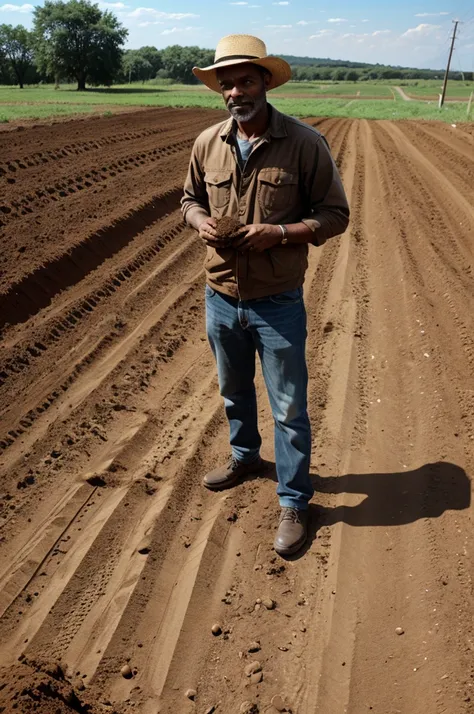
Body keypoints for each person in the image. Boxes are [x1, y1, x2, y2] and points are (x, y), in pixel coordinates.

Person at [181, 34, 349, 556]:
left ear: (266, 83)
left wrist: (280, 233)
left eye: (245, 81)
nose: (235, 91)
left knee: (288, 406)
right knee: (233, 390)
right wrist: (202, 221)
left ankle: (296, 499)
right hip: (220, 296)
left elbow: (335, 216)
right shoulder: (208, 142)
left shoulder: (304, 143)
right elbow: (187, 199)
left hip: (276, 300)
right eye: (226, 83)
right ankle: (245, 456)